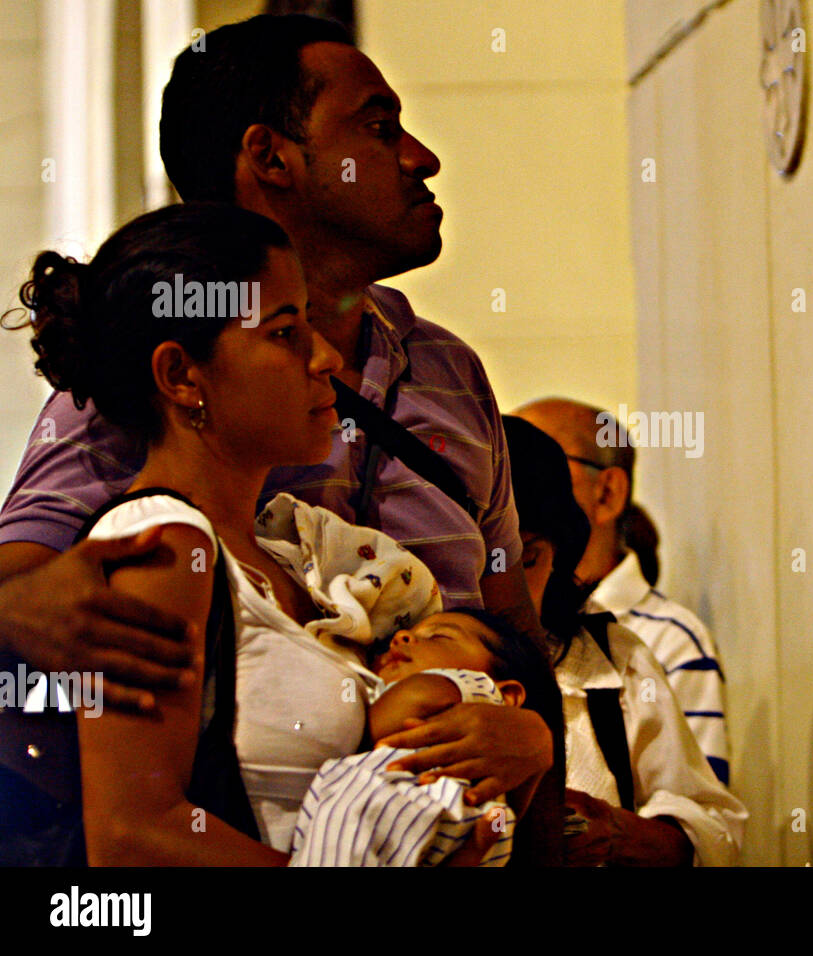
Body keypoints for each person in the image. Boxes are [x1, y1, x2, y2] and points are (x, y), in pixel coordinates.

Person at [0, 14, 559, 860]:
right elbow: (42, 609)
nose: (421, 157)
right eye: (378, 128)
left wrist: (533, 742)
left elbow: (510, 628)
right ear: (272, 157)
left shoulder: (446, 381)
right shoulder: (132, 409)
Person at [502, 416, 746, 866]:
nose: (505, 590)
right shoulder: (404, 653)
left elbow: (715, 825)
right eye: (484, 563)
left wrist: (617, 832)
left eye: (529, 560)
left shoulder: (609, 657)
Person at [290, 609, 552, 867]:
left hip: (417, 796)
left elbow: (406, 707)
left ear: (506, 696)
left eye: (439, 637)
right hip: (441, 826)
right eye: (387, 642)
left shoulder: (476, 688)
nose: (401, 636)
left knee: (347, 819)